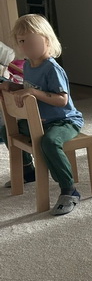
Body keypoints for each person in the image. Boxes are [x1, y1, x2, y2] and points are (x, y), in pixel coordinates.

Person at [0, 14, 84, 215]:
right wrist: (14, 86)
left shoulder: (51, 68)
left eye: (30, 41)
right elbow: (31, 88)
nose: (25, 46)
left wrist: (33, 92)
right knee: (7, 132)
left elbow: (62, 100)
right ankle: (28, 169)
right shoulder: (29, 65)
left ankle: (69, 190)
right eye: (21, 41)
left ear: (46, 39)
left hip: (64, 121)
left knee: (49, 142)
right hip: (40, 120)